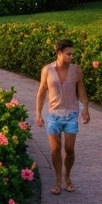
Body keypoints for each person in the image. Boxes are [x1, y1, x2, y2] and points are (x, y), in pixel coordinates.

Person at [35, 38, 89, 195]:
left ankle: (68, 176)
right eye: (68, 54)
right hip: (53, 114)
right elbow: (41, 92)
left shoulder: (76, 70)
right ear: (59, 53)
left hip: (71, 113)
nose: (71, 57)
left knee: (69, 148)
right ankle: (58, 180)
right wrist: (38, 113)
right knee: (55, 149)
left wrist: (85, 108)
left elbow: (81, 90)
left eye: (72, 54)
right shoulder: (47, 70)